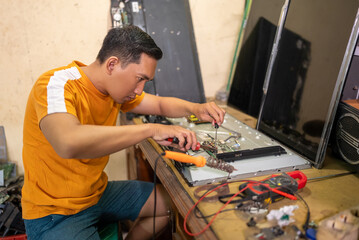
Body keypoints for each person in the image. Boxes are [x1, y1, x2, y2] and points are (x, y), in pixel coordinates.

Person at [22, 25, 226, 240]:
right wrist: (150, 129)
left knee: (168, 204)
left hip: (96, 195)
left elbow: (159, 105)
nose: (140, 89)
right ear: (112, 65)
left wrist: (195, 109)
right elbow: (67, 142)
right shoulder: (55, 85)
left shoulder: (112, 90)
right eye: (139, 78)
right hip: (54, 213)